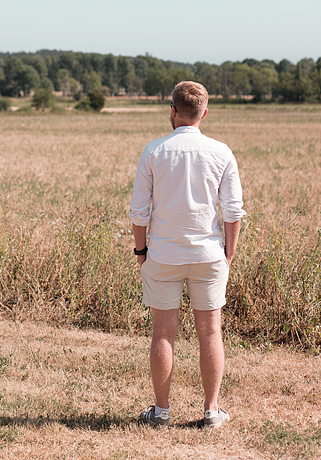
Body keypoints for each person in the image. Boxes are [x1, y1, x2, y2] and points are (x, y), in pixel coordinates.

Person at [129, 80, 245, 429]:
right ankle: (211, 411)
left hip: (162, 253)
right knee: (210, 333)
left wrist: (141, 251)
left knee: (163, 333)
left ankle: (161, 411)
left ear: (173, 111)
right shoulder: (221, 152)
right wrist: (228, 252)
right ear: (204, 113)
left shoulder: (153, 150)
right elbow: (233, 210)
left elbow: (138, 211)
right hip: (209, 254)